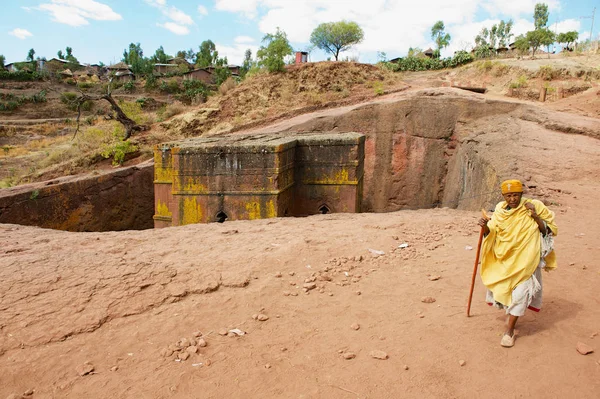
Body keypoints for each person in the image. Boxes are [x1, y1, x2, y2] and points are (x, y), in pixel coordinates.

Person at [477, 179, 557, 348]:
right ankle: (512, 315)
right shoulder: (500, 210)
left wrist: (535, 215)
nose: (512, 199)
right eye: (508, 196)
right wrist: (484, 227)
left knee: (521, 293)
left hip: (527, 259)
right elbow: (491, 233)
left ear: (521, 194)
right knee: (506, 290)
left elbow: (548, 230)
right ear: (503, 196)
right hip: (505, 259)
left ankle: (509, 330)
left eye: (515, 195)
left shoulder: (534, 206)